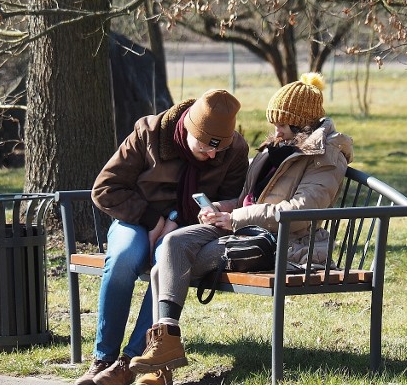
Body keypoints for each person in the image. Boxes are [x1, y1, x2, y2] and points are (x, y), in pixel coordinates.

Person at [128, 73, 354, 385]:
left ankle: (159, 367)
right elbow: (251, 198)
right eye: (273, 122)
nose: (275, 130)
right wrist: (224, 208)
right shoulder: (277, 148)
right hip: (243, 228)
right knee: (171, 246)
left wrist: (238, 218)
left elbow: (302, 212)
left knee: (161, 271)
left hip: (282, 242)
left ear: (302, 123)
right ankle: (164, 352)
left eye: (281, 123)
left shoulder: (325, 156)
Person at [74, 89, 249, 385]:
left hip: (186, 231)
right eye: (206, 147)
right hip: (136, 219)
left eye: (218, 150)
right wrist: (154, 219)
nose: (212, 155)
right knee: (122, 259)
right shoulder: (150, 134)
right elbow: (105, 189)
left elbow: (235, 199)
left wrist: (204, 214)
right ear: (188, 129)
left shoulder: (233, 151)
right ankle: (102, 359)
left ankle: (129, 363)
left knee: (165, 266)